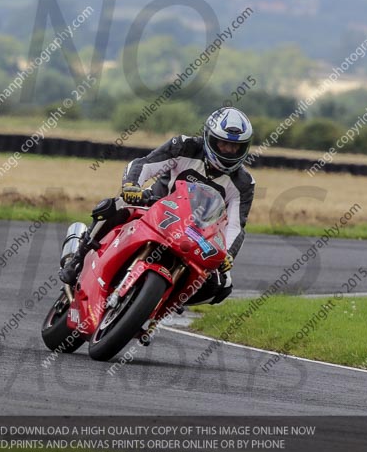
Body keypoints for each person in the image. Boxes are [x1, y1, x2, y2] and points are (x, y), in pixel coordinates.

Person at [59, 107, 255, 305]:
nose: (229, 151)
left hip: (196, 234)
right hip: (155, 207)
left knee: (222, 284)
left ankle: (162, 306)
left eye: (235, 147)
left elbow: (236, 225)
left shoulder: (244, 183)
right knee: (116, 205)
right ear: (209, 138)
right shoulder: (184, 146)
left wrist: (228, 254)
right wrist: (132, 185)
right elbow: (144, 164)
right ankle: (77, 260)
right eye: (223, 144)